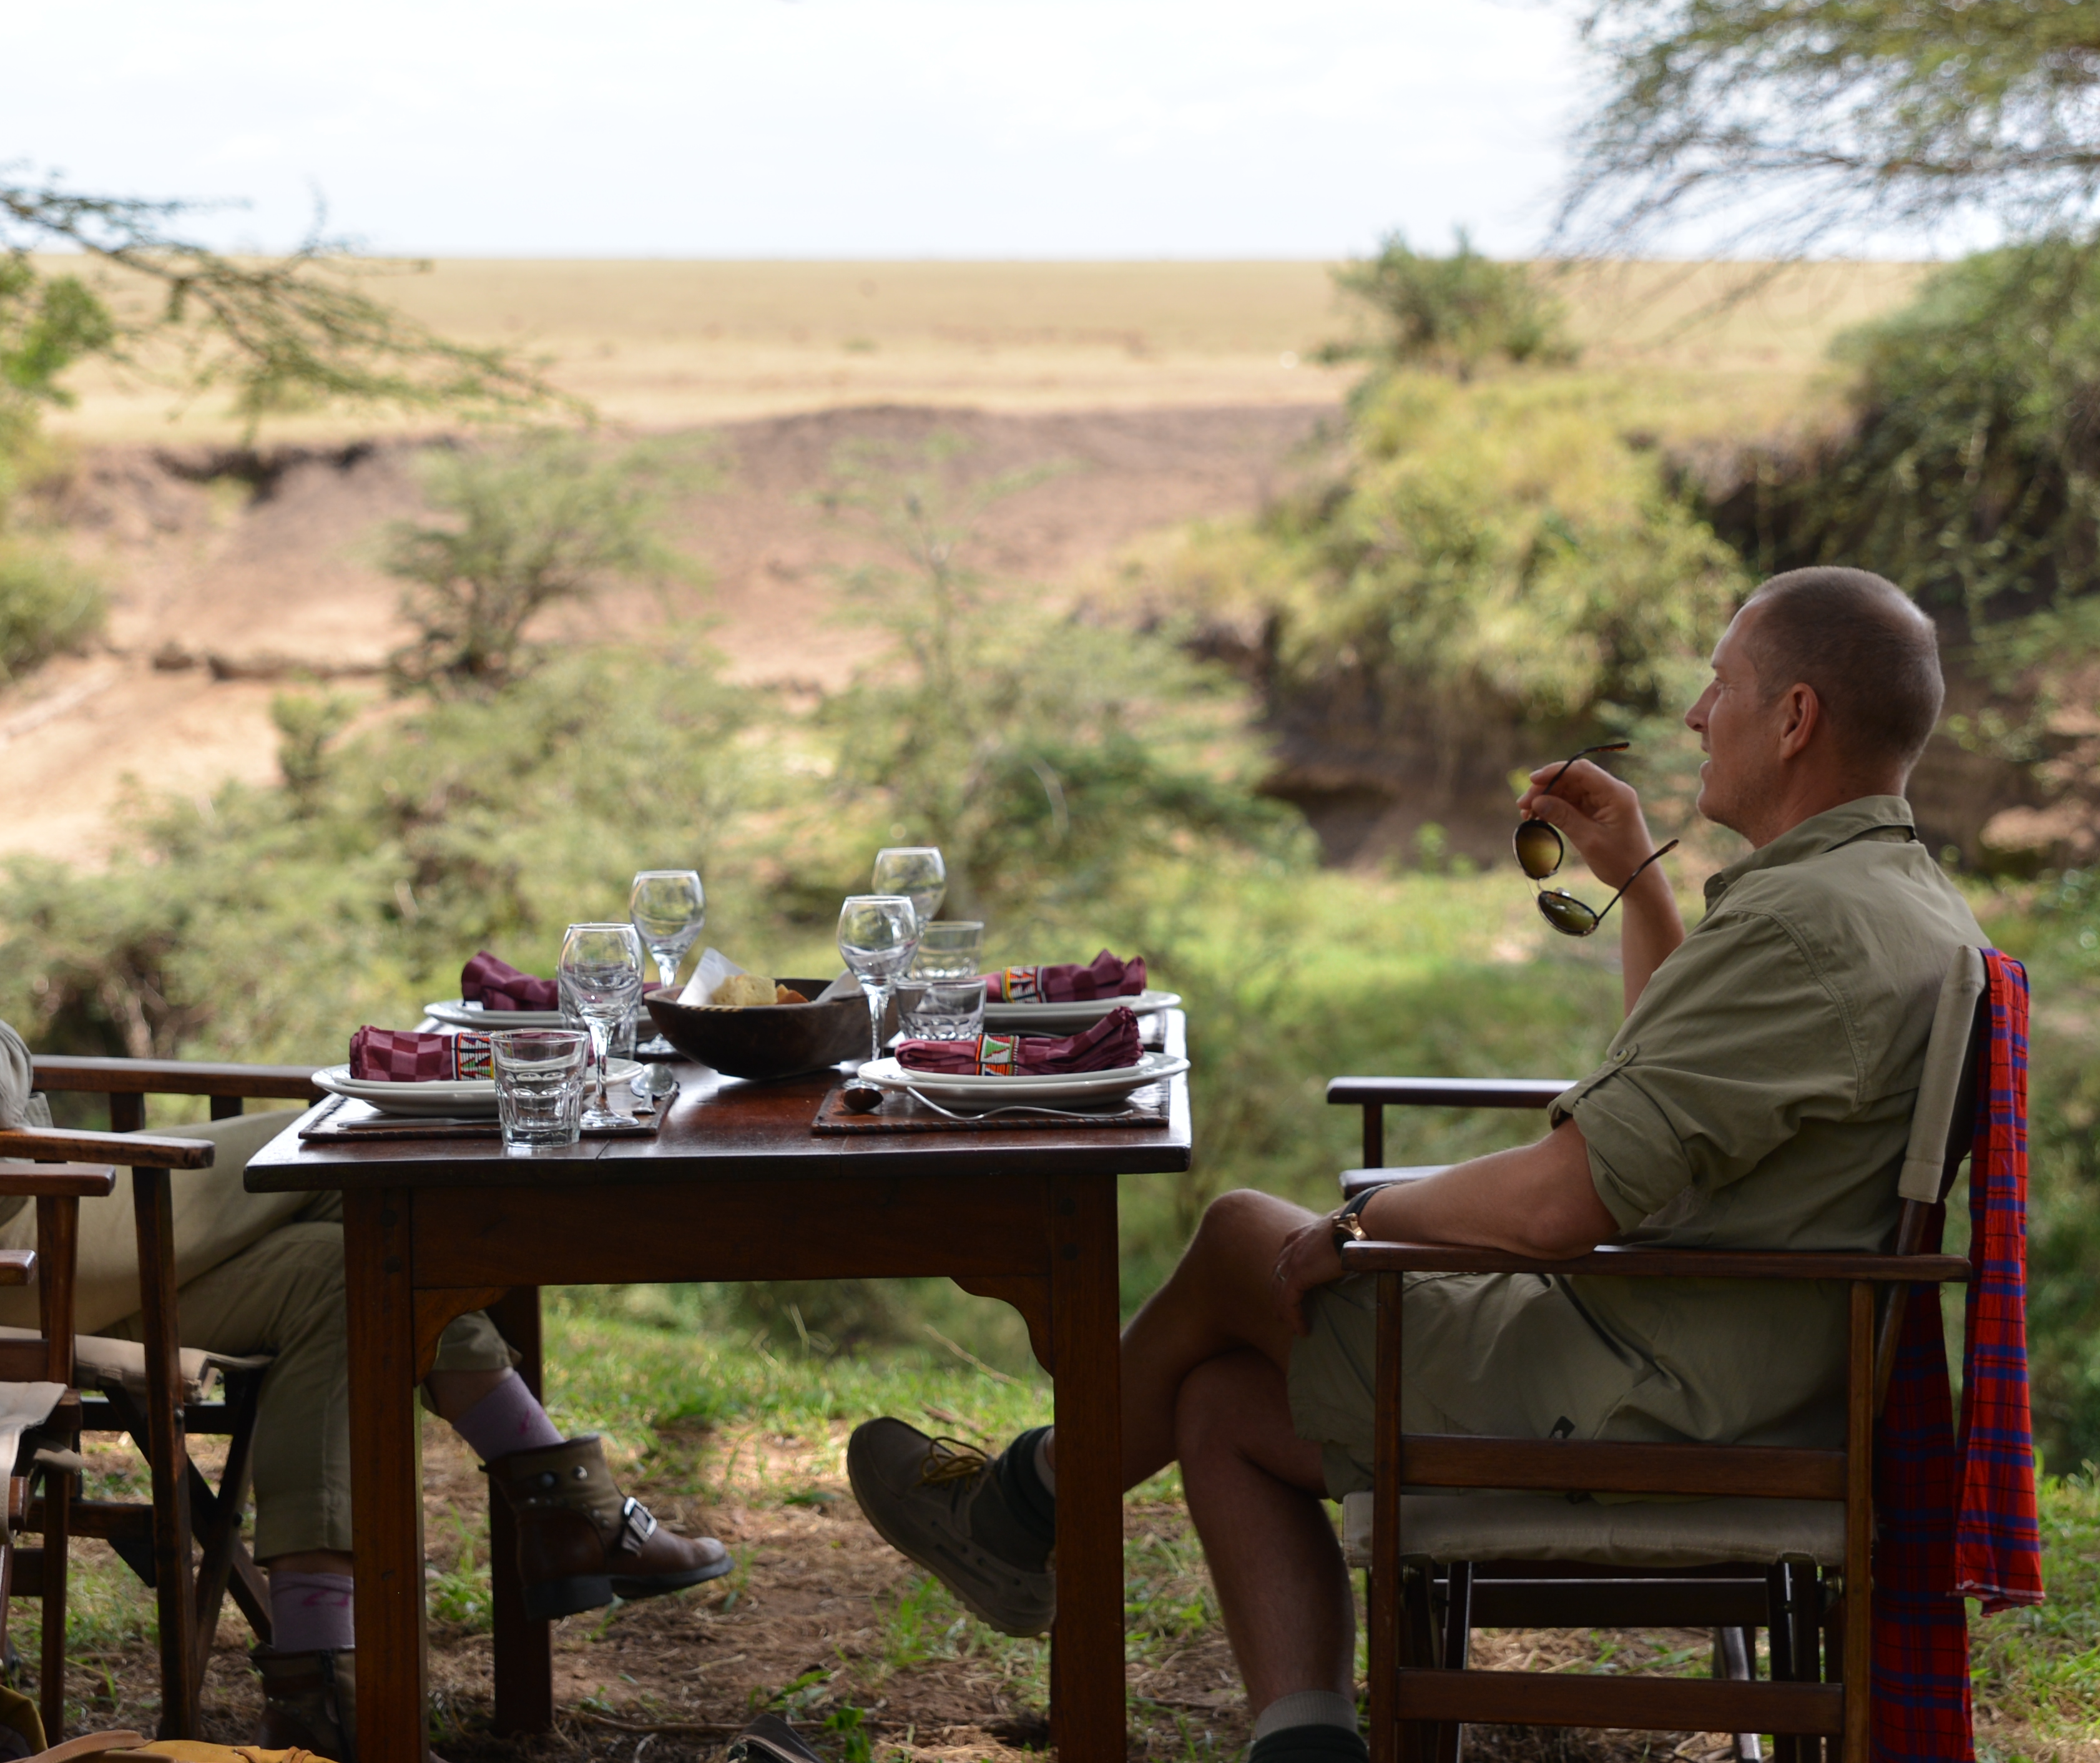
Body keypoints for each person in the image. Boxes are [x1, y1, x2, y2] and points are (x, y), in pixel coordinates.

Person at [0, 511, 730, 1756]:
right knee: (353, 1146)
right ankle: (566, 1509)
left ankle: (320, 1670)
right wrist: (5, 1038)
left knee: (351, 1273)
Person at [842, 566, 1988, 1763]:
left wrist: (1363, 1223)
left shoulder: (1799, 932)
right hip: (1731, 1363)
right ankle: (1298, 1742)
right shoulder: (1889, 902)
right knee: (1221, 1401)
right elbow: (1683, 1101)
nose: (1700, 715)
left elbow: (1561, 1205)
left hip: (1656, 1391)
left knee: (1242, 1238)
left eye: (1724, 684)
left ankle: (1019, 1510)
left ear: (1795, 719)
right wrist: (1640, 882)